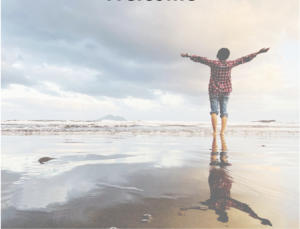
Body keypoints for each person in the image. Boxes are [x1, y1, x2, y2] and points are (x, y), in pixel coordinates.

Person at [181, 48, 270, 136]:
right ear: (227, 56)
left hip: (214, 90)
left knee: (214, 111)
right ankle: (222, 132)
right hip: (226, 91)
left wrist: (188, 55)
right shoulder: (230, 64)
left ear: (218, 55)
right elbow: (244, 59)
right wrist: (258, 52)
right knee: (224, 112)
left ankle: (215, 131)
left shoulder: (213, 63)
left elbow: (201, 59)